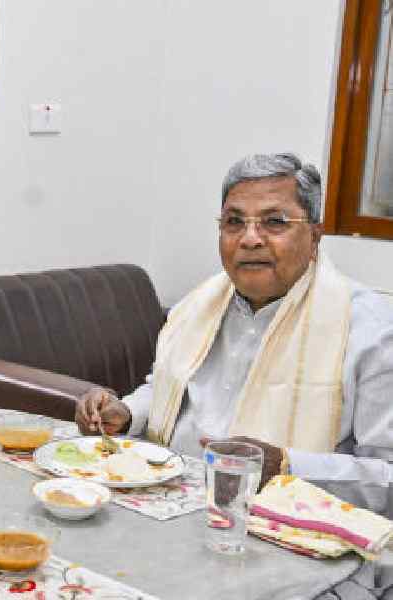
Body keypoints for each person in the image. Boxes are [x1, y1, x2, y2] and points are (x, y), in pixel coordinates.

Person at [75, 153, 393, 520]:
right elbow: (173, 388)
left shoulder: (370, 332)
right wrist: (128, 412)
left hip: (288, 531)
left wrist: (288, 466)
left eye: (275, 222)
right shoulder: (199, 306)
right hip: (164, 504)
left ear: (315, 236)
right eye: (234, 222)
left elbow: (386, 476)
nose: (250, 239)